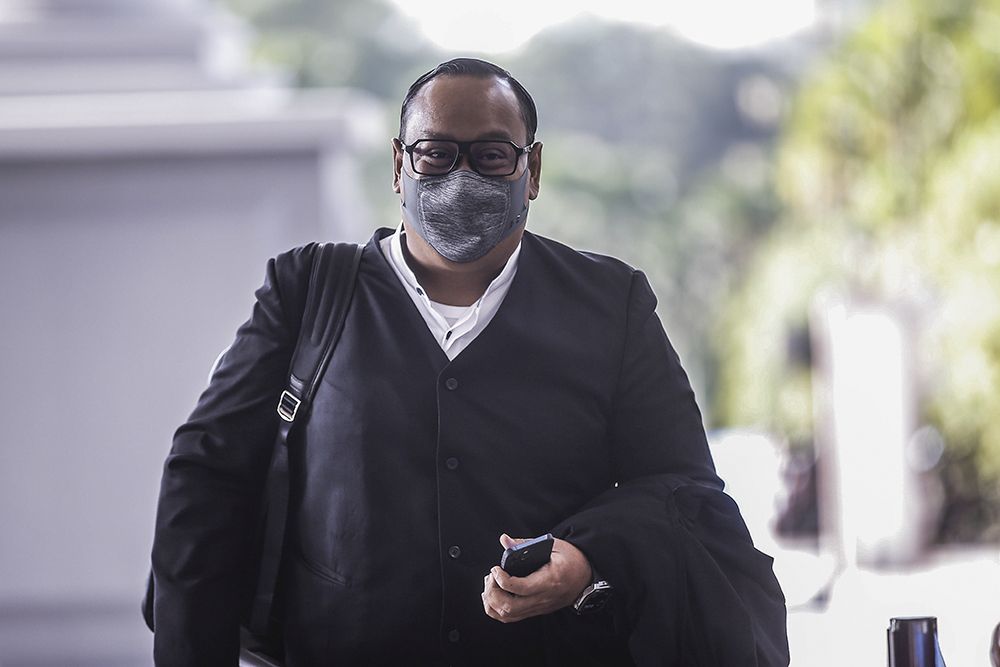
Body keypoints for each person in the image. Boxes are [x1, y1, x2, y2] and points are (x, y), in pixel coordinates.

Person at [150, 57, 789, 666]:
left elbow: (684, 491)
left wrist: (587, 556)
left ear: (532, 170)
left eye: (490, 155)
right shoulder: (306, 291)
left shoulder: (610, 305)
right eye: (435, 153)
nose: (461, 178)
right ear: (399, 167)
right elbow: (206, 479)